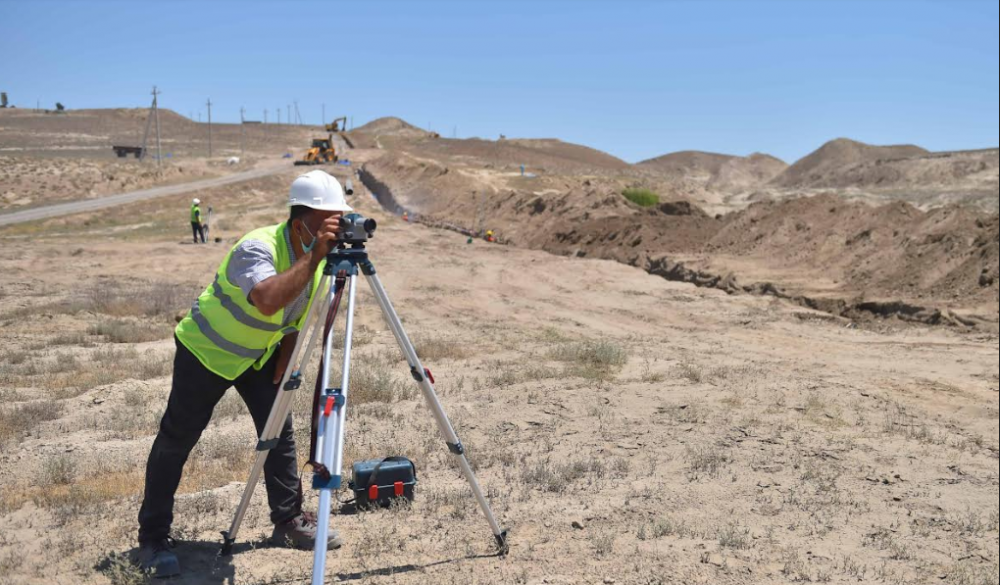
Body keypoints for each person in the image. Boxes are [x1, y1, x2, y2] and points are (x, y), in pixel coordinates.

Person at [138, 171, 351, 577]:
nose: (335, 228)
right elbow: (269, 300)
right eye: (329, 219)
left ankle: (287, 521)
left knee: (278, 434)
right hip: (206, 352)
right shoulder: (257, 247)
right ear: (301, 220)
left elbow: (294, 316)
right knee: (177, 439)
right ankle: (152, 537)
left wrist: (285, 359)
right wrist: (315, 255)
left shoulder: (317, 261)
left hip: (258, 357)